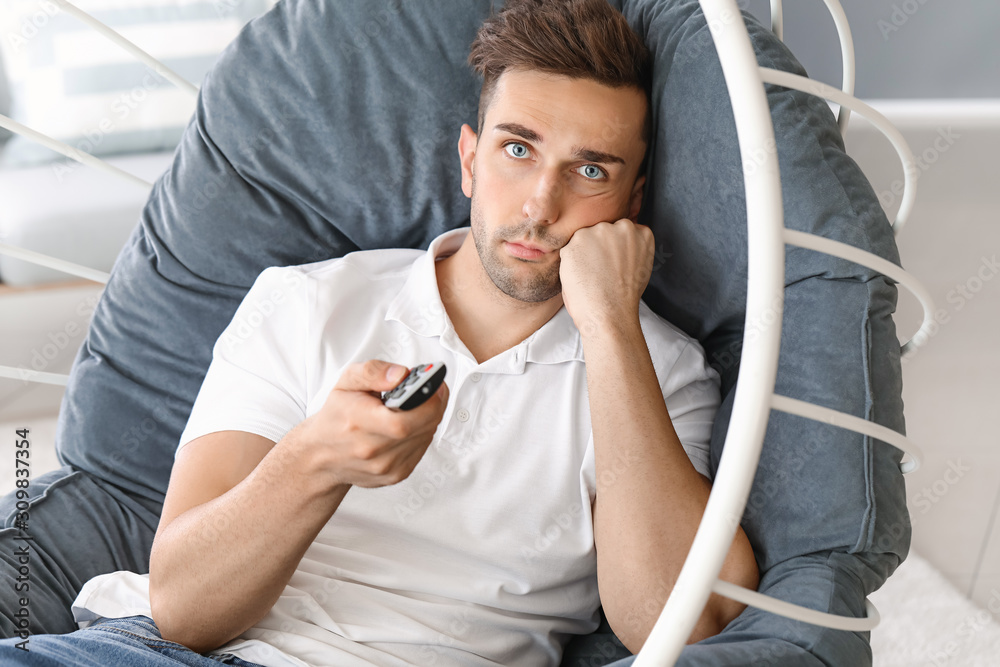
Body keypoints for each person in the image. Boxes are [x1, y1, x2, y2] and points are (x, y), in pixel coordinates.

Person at [0, 0, 759, 665]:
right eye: (517, 150)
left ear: (635, 197)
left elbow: (678, 625)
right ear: (470, 159)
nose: (539, 204)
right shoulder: (305, 302)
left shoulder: (660, 370)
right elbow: (184, 606)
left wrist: (608, 326)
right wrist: (316, 460)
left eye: (590, 171)